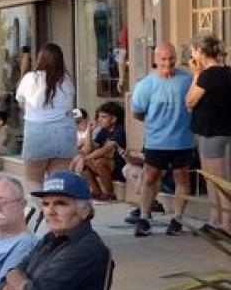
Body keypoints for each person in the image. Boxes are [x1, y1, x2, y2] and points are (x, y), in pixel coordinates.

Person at [130, 42, 194, 237]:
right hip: (156, 141)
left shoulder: (188, 79)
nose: (168, 63)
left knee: (181, 177)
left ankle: (177, 219)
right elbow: (137, 113)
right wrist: (156, 124)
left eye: (171, 58)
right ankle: (144, 217)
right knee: (150, 177)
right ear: (156, 59)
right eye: (163, 59)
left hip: (182, 140)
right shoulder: (145, 85)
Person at [15, 43, 77, 193]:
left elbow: (20, 101)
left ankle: (43, 214)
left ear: (40, 59)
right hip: (64, 131)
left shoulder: (30, 78)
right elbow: (70, 107)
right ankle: (58, 213)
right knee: (58, 182)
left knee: (34, 181)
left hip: (37, 132)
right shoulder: (66, 80)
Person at [186, 34, 231, 235]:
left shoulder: (208, 75)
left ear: (201, 52)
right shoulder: (228, 72)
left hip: (212, 133)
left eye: (193, 50)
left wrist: (196, 74)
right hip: (221, 132)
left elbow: (190, 101)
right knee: (221, 179)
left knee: (216, 180)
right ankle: (220, 220)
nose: (191, 54)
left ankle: (223, 222)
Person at [72, 101, 125, 201]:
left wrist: (84, 158)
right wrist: (89, 130)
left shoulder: (119, 130)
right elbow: (90, 149)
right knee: (83, 161)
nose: (99, 120)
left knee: (98, 161)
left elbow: (104, 150)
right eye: (99, 117)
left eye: (103, 117)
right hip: (107, 167)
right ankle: (96, 192)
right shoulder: (103, 131)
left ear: (113, 119)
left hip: (119, 168)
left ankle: (110, 194)